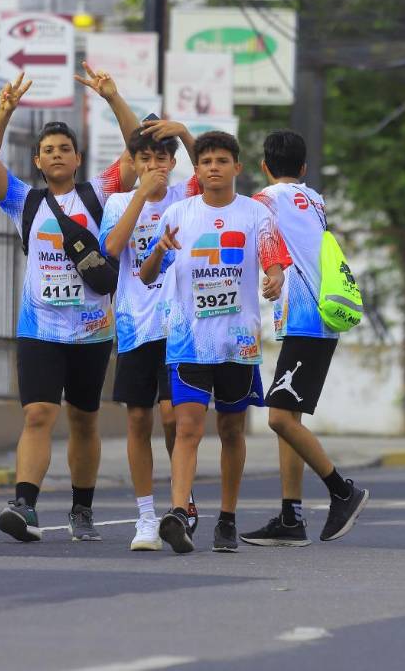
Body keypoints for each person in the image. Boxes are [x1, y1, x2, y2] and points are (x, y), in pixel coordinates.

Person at [0, 65, 138, 543]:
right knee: (38, 414)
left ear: (77, 157)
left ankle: (81, 509)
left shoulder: (99, 193)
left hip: (93, 330)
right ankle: (24, 505)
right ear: (38, 161)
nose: (57, 154)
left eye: (64, 148)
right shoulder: (23, 202)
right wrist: (4, 112)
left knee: (84, 420)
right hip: (40, 329)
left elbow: (137, 152)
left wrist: (112, 97)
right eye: (48, 150)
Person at [139, 131, 291, 554]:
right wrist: (159, 251)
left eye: (222, 161)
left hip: (237, 342)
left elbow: (274, 262)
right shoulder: (179, 214)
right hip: (188, 340)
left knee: (230, 429)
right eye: (206, 162)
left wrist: (275, 279)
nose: (213, 168)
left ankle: (227, 516)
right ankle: (179, 512)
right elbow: (148, 275)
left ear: (236, 167)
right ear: (197, 169)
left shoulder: (256, 214)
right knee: (187, 427)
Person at [237, 131, 370, 548]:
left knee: (278, 418)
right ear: (304, 168)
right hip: (317, 322)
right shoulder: (314, 200)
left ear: (264, 167)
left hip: (306, 320)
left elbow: (264, 238)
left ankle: (342, 491)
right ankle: (291, 517)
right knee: (290, 420)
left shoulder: (264, 201)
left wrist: (272, 272)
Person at [97, 119, 201, 551]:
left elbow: (209, 169)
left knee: (174, 417)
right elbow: (111, 248)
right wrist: (140, 194)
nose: (155, 165)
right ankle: (145, 517)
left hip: (178, 325)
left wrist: (185, 132)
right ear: (134, 163)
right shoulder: (120, 202)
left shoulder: (185, 198)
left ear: (173, 162)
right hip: (135, 326)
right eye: (145, 158)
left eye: (161, 157)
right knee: (139, 419)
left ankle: (182, 503)